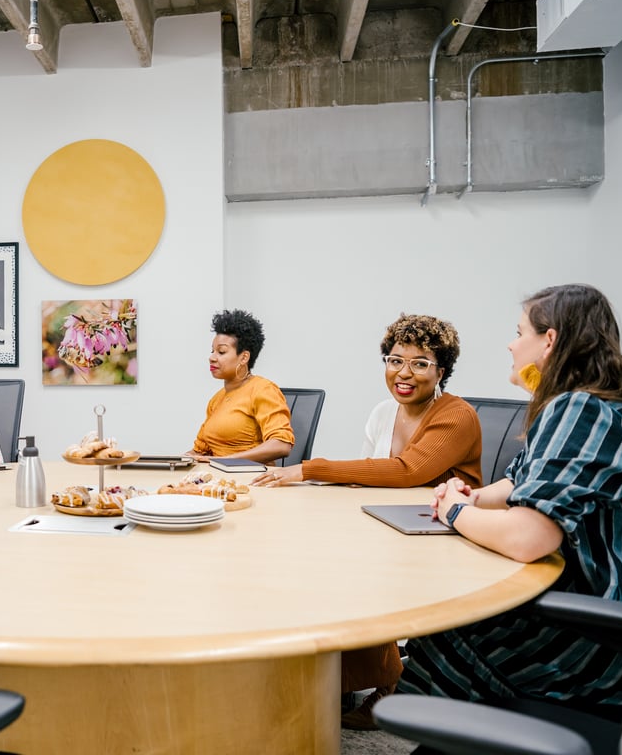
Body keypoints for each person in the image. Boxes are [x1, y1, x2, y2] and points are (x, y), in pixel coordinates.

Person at [403, 285, 622, 713]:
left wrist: (453, 510)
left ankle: (435, 726)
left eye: (519, 332)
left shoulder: (581, 408)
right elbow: (519, 483)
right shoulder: (602, 401)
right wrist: (471, 496)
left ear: (548, 341)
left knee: (447, 621)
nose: (511, 344)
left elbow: (528, 538)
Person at [251, 313, 483, 730]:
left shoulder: (457, 415)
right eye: (395, 360)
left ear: (441, 370)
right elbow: (370, 475)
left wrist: (310, 469)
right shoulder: (382, 412)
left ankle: (388, 679)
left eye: (420, 363)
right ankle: (337, 679)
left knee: (353, 569)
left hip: (442, 536)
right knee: (315, 555)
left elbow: (408, 470)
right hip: (392, 524)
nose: (403, 373)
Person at [187, 309, 294, 464]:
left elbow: (281, 445)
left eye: (221, 352)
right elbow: (199, 451)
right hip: (215, 477)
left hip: (248, 479)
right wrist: (180, 461)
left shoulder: (263, 389)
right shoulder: (217, 399)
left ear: (244, 357)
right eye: (212, 351)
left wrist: (224, 461)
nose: (212, 357)